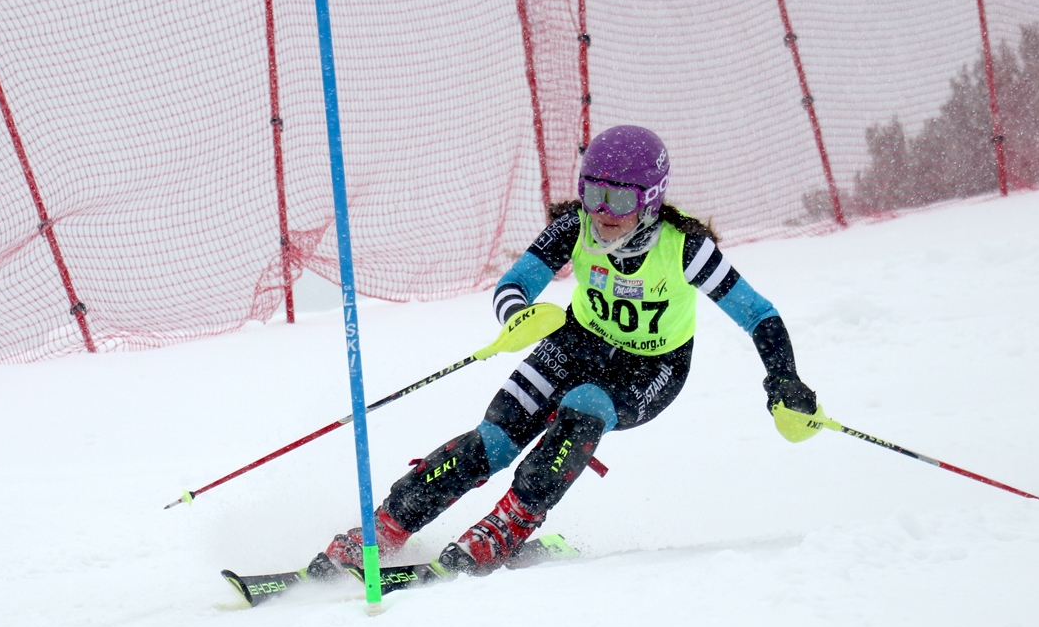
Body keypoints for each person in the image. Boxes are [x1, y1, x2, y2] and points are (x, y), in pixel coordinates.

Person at [306, 125, 821, 580]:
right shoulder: (574, 228)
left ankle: (512, 522)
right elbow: (515, 284)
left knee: (587, 404)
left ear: (651, 200)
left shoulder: (684, 247)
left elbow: (759, 314)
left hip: (651, 368)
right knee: (494, 440)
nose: (603, 213)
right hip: (577, 343)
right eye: (593, 193)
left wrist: (784, 379)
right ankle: (388, 524)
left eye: (620, 201)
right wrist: (516, 317)